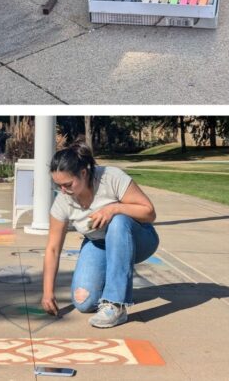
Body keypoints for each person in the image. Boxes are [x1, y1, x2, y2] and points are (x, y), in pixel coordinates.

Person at [41, 141, 157, 328]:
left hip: (139, 239)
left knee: (118, 221)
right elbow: (53, 249)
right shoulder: (62, 201)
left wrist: (113, 208)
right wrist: (47, 293)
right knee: (84, 303)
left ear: (84, 173)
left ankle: (116, 305)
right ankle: (113, 278)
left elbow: (149, 212)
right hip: (98, 243)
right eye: (58, 186)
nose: (63, 191)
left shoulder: (110, 178)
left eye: (68, 184)